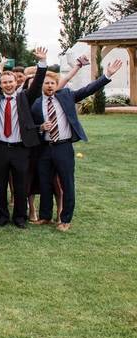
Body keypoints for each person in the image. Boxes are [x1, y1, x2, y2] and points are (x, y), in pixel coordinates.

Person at [29, 58, 122, 232]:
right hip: (45, 148)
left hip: (63, 147)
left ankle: (65, 219)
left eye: (52, 83)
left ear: (58, 85)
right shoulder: (36, 104)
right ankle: (45, 216)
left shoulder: (67, 96)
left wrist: (107, 75)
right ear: (41, 85)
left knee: (67, 183)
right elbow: (30, 127)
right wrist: (40, 127)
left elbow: (88, 90)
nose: (49, 86)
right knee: (45, 183)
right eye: (46, 83)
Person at [0, 47, 47, 228]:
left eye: (10, 82)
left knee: (20, 185)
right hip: (0, 147)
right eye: (4, 82)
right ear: (1, 84)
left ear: (16, 83)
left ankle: (19, 218)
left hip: (20, 148)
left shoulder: (24, 98)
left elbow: (37, 84)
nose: (7, 85)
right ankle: (2, 216)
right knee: (0, 183)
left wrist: (42, 63)